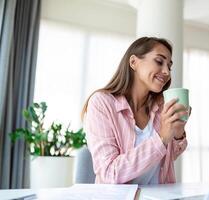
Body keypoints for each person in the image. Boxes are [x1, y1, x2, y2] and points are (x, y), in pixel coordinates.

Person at [81, 37, 191, 184]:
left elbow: (166, 159)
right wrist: (162, 138)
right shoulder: (102, 103)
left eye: (169, 66)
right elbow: (109, 173)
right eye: (159, 61)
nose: (166, 72)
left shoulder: (160, 107)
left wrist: (177, 133)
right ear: (133, 62)